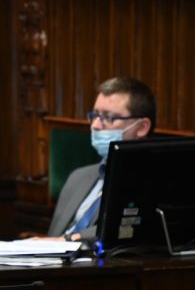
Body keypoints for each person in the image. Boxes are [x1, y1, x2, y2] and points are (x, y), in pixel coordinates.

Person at [47, 76, 156, 242]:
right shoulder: (78, 177)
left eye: (108, 117)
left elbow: (129, 230)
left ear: (141, 127)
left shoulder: (153, 182)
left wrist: (69, 240)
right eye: (94, 115)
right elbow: (52, 239)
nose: (95, 125)